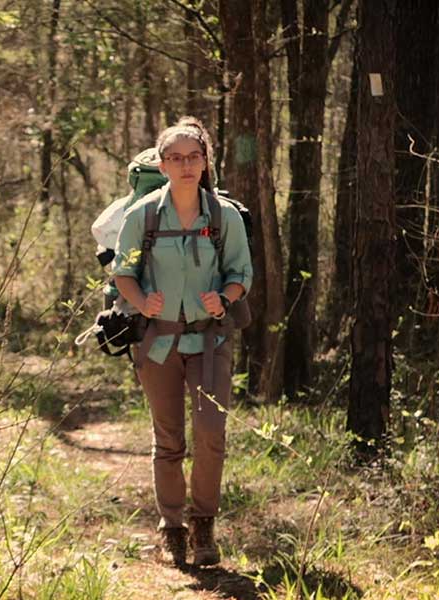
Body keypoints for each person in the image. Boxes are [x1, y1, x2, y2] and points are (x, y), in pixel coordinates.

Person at [111, 117, 253, 567]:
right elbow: (123, 272)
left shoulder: (224, 215)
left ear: (206, 161)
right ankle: (172, 527)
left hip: (210, 342)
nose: (185, 165)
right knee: (169, 438)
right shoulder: (143, 216)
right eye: (175, 158)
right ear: (162, 163)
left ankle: (203, 523)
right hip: (158, 343)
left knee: (211, 433)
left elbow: (241, 275)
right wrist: (141, 302)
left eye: (194, 156)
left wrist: (224, 298)